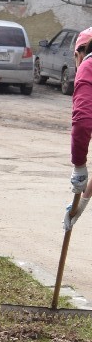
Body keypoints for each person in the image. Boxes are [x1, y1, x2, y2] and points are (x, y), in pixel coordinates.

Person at [63, 27, 92, 231]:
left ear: (77, 55)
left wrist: (79, 165)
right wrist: (82, 202)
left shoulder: (88, 65)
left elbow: (82, 122)